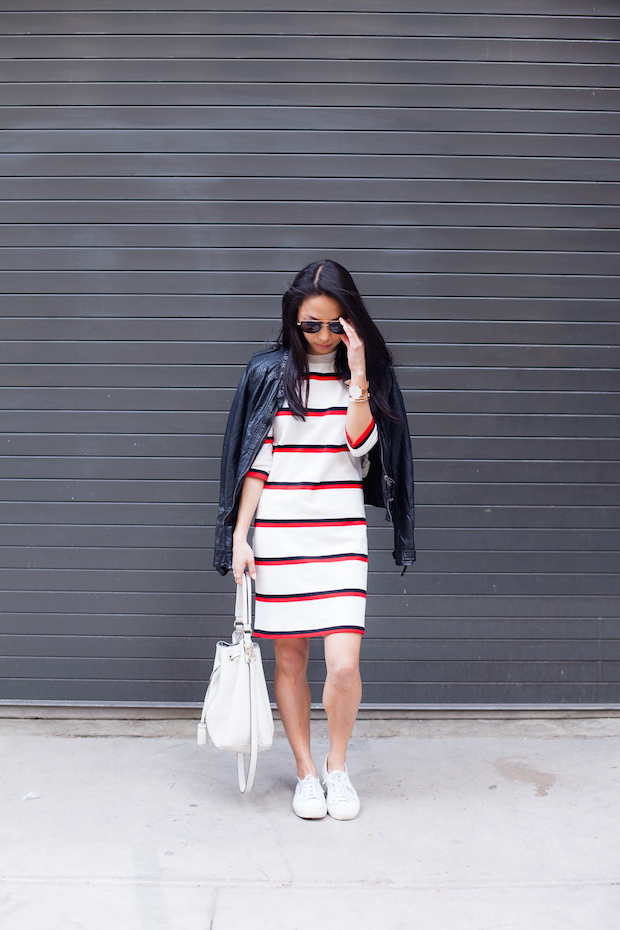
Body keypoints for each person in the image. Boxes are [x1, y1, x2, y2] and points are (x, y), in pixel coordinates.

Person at [214, 260, 415, 820]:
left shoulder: (367, 375)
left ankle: (338, 767)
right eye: (311, 325)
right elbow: (256, 462)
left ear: (350, 322)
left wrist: (357, 373)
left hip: (342, 532)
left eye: (334, 324)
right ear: (293, 321)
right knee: (292, 660)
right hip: (280, 533)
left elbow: (360, 447)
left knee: (345, 663)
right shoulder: (270, 375)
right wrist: (241, 536)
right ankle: (305, 771)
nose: (323, 335)